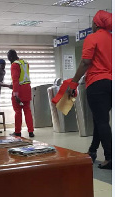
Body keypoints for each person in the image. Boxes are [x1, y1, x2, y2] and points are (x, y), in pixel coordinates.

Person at [68, 10, 112, 169]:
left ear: (96, 24)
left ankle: (110, 157)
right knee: (100, 120)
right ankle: (92, 151)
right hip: (111, 83)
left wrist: (73, 83)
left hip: (97, 84)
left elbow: (85, 62)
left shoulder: (92, 38)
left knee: (101, 121)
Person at [7, 49, 34, 138]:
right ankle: (31, 131)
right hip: (27, 88)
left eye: (8, 59)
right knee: (27, 110)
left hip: (19, 89)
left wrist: (15, 94)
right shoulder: (25, 63)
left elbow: (15, 80)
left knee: (18, 111)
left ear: (11, 57)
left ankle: (17, 132)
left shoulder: (14, 65)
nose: (9, 61)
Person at [0, 59, 12, 133]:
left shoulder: (3, 72)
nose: (3, 67)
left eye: (4, 65)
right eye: (2, 65)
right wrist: (8, 85)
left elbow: (0, 82)